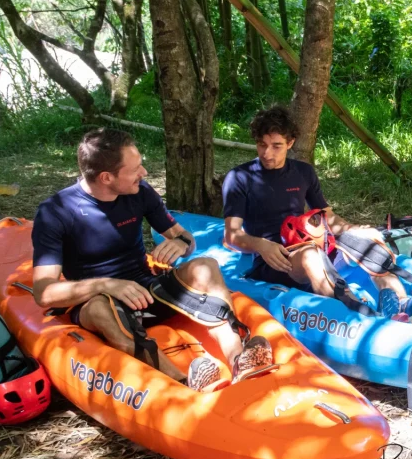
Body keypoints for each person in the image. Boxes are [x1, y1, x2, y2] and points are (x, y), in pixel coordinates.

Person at [32, 129, 271, 393]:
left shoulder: (140, 192)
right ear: (106, 177)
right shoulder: (55, 212)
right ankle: (182, 382)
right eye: (134, 169)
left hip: (147, 290)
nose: (144, 172)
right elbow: (44, 293)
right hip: (98, 301)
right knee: (100, 307)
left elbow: (185, 238)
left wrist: (181, 244)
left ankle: (239, 360)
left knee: (206, 265)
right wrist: (108, 285)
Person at [222, 105, 412, 316]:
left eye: (276, 146)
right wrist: (260, 245)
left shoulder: (303, 172)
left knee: (368, 242)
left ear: (290, 143)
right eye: (262, 145)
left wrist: (358, 230)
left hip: (308, 242)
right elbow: (232, 235)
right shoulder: (239, 178)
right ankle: (360, 315)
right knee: (311, 255)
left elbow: (327, 217)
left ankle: (402, 304)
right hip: (276, 259)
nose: (267, 153)